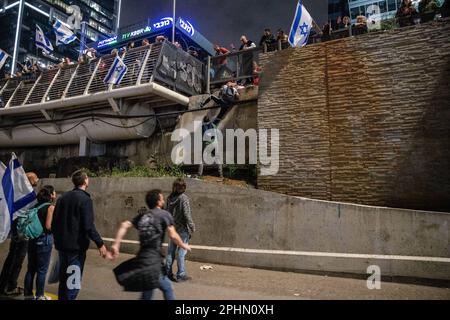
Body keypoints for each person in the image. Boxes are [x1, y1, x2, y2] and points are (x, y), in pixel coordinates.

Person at [110, 189, 191, 300]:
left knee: (148, 292)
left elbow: (124, 225)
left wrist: (116, 244)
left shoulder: (143, 216)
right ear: (158, 202)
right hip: (153, 261)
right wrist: (183, 245)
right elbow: (172, 235)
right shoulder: (164, 215)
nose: (163, 200)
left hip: (141, 260)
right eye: (162, 198)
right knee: (167, 288)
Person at [51, 170, 108, 300]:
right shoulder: (85, 199)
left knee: (63, 281)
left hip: (62, 247)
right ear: (85, 181)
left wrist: (58, 240)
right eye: (87, 177)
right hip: (76, 249)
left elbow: (54, 223)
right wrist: (100, 243)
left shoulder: (62, 198)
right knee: (73, 283)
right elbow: (88, 225)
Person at [0, 172, 39, 296]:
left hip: (16, 231)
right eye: (36, 178)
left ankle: (3, 284)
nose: (38, 179)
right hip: (22, 233)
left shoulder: (18, 194)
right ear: (31, 181)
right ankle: (10, 286)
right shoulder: (28, 197)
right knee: (17, 260)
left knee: (11, 258)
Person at [23, 186, 56, 300]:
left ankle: (27, 294)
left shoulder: (36, 206)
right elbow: (48, 226)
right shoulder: (50, 207)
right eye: (54, 192)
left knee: (31, 268)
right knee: (42, 270)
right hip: (44, 240)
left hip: (33, 239)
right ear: (51, 194)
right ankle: (40, 296)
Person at [165, 179, 195, 282]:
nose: (182, 188)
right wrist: (192, 226)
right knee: (181, 253)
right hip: (182, 229)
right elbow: (187, 214)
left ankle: (167, 273)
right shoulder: (183, 198)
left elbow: (166, 213)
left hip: (172, 229)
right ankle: (181, 274)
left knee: (170, 252)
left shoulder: (170, 198)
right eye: (182, 186)